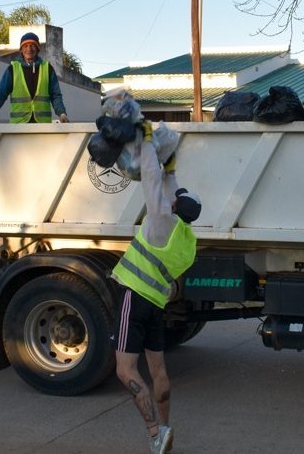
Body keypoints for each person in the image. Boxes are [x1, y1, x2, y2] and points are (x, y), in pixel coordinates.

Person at [110, 122, 201, 454]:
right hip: (155, 305)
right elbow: (170, 187)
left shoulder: (161, 219)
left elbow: (150, 178)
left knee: (125, 370)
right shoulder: (187, 240)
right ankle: (163, 428)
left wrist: (148, 142)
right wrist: (172, 167)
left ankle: (152, 431)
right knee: (158, 369)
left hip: (133, 298)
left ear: (177, 206)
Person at [0, 32, 68, 124]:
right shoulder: (12, 69)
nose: (29, 49)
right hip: (19, 126)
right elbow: (1, 94)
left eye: (32, 45)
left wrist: (62, 113)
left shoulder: (47, 68)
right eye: (25, 46)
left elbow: (55, 95)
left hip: (42, 126)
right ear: (21, 49)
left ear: (38, 48)